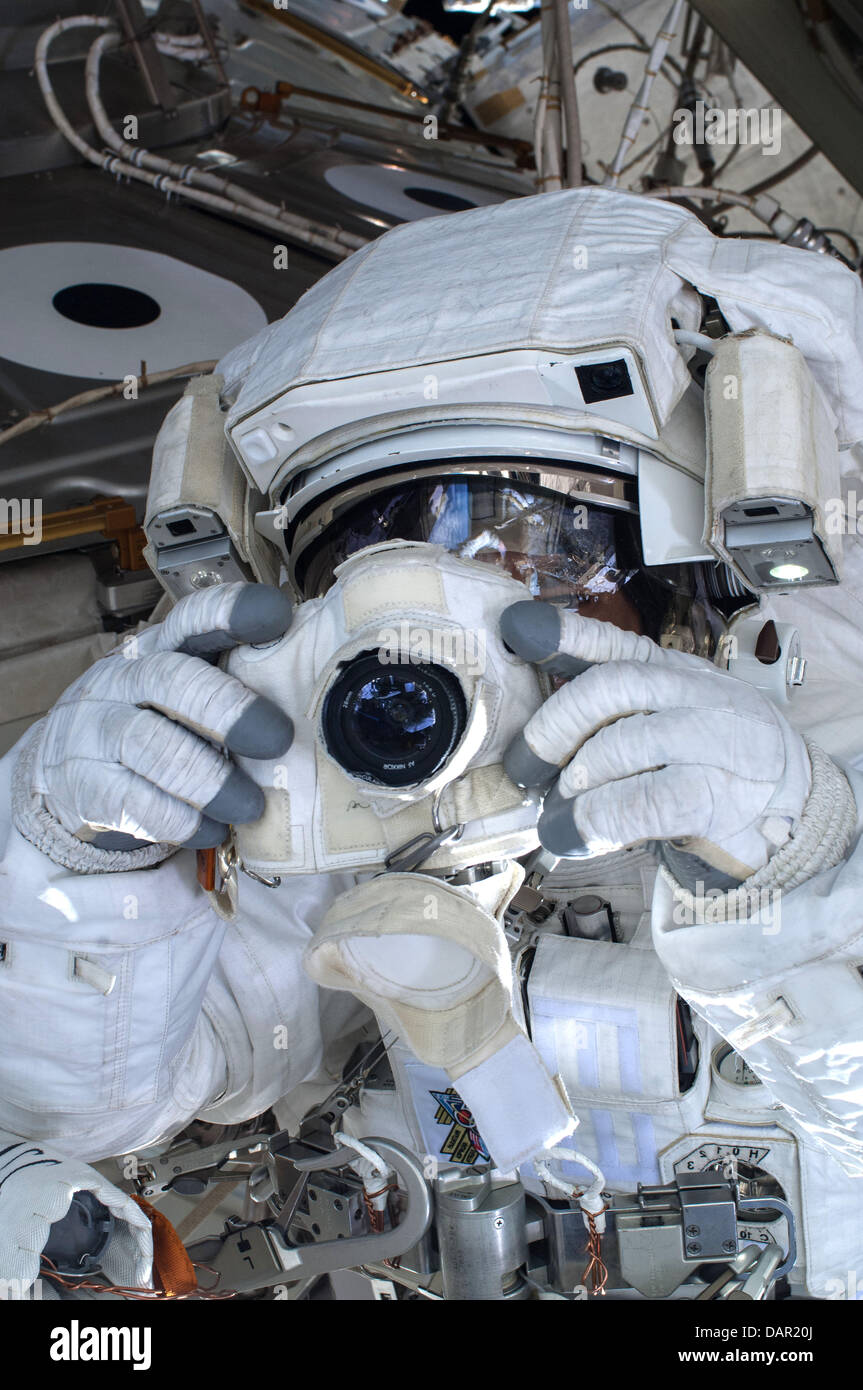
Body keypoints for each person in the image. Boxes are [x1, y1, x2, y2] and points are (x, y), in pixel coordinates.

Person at [2, 185, 863, 1300]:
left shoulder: (813, 774)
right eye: (360, 556)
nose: (426, 610)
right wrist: (69, 876)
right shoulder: (335, 821)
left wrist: (796, 872)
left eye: (532, 542)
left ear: (696, 564)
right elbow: (90, 1103)